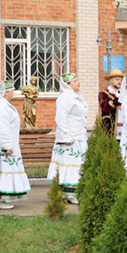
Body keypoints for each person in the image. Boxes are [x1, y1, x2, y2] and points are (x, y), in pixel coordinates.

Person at [0, 81, 29, 210]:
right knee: (1, 172)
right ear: (6, 92)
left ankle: (1, 199)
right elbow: (2, 127)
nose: (13, 93)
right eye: (12, 90)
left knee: (2, 172)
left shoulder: (1, 104)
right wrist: (6, 146)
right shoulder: (0, 106)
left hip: (3, 145)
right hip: (0, 147)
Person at [47, 73, 88, 205]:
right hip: (70, 137)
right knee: (70, 164)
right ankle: (69, 192)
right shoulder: (65, 97)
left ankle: (72, 191)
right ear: (67, 84)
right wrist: (66, 136)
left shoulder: (76, 97)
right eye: (74, 81)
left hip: (79, 135)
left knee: (77, 164)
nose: (78, 83)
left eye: (77, 80)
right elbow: (60, 117)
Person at [98, 69, 124, 138]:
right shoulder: (104, 94)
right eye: (117, 79)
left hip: (123, 130)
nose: (119, 82)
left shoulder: (123, 94)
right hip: (110, 130)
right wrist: (118, 100)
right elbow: (105, 107)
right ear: (110, 80)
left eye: (121, 80)